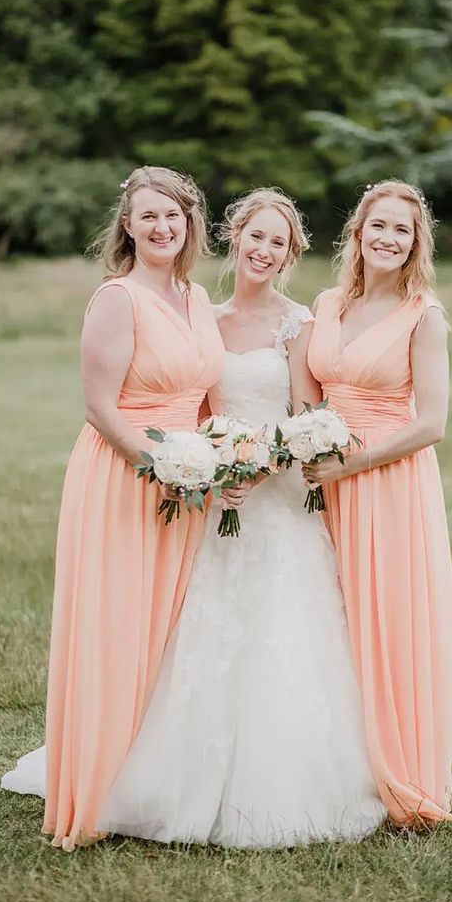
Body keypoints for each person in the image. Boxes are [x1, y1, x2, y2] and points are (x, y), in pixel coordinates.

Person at [92, 188, 386, 847]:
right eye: (255, 236)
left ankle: (293, 786)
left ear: (290, 254)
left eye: (278, 242)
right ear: (234, 237)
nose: (264, 250)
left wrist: (263, 464)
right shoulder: (203, 315)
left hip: (278, 503)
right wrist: (209, 467)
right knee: (206, 630)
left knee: (285, 632)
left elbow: (307, 418)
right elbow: (195, 406)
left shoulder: (299, 323)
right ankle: (181, 781)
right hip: (217, 501)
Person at [2, 166, 225, 851]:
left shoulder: (194, 297)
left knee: (168, 634)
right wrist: (160, 465)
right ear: (127, 226)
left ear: (189, 225)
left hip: (188, 483)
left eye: (174, 216)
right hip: (125, 478)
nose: (162, 227)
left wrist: (216, 461)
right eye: (148, 216)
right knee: (118, 627)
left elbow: (208, 396)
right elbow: (99, 409)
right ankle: (93, 792)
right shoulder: (117, 299)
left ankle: (148, 782)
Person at [305, 179, 452, 827]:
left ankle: (398, 766)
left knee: (385, 616)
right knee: (324, 616)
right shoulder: (328, 302)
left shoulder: (423, 315)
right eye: (380, 226)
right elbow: (307, 393)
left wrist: (355, 463)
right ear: (358, 233)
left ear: (415, 242)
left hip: (389, 479)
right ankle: (331, 763)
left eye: (403, 229)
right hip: (322, 477)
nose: (389, 238)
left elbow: (433, 423)